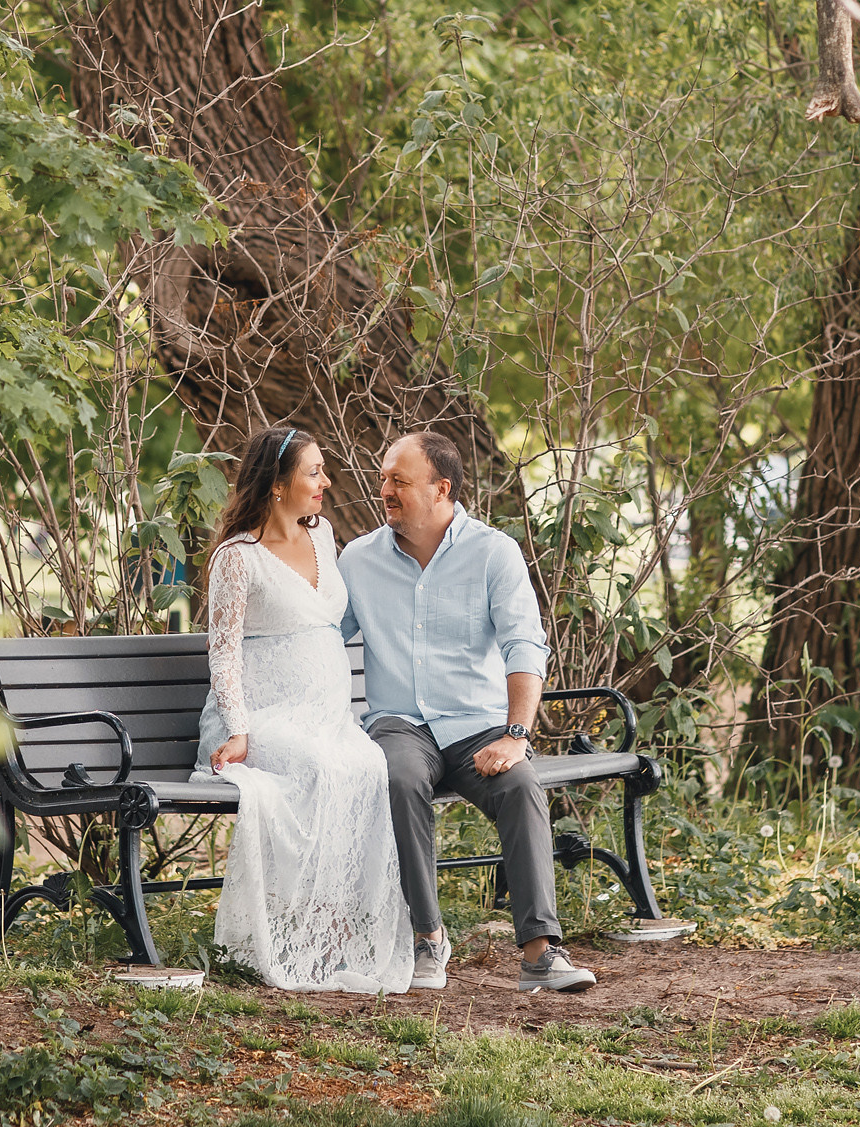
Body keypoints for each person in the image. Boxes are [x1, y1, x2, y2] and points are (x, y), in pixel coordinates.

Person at [340, 430, 599, 994]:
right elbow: (322, 639)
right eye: (383, 478)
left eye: (398, 481)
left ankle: (541, 952)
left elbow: (524, 645)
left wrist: (515, 735)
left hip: (477, 726)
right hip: (399, 724)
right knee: (399, 777)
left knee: (521, 785)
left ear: (441, 489)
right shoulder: (357, 560)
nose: (384, 490)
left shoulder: (493, 552)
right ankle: (427, 938)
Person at [195, 425, 412, 993]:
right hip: (261, 717)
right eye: (313, 472)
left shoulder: (321, 534)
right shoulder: (237, 558)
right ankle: (291, 929)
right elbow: (223, 652)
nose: (326, 482)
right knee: (317, 769)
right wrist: (239, 730)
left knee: (367, 767)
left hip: (326, 718)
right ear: (276, 484)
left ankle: (339, 928)